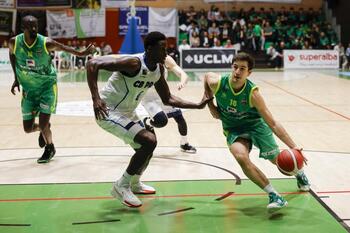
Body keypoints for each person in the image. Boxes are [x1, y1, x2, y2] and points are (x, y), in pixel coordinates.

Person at [86, 31, 210, 208]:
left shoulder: (158, 69)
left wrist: (197, 105)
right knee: (148, 141)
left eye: (166, 48)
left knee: (150, 145)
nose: (166, 53)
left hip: (128, 112)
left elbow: (168, 99)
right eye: (162, 49)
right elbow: (92, 63)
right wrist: (96, 98)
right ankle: (121, 185)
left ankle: (134, 183)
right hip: (108, 111)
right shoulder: (133, 63)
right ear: (149, 49)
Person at [204, 52, 310, 211]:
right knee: (240, 156)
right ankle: (274, 195)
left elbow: (273, 124)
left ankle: (299, 173)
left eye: (242, 69)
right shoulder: (218, 83)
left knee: (279, 162)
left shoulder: (253, 94)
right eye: (235, 67)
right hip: (233, 129)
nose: (237, 72)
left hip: (256, 126)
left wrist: (294, 147)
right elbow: (206, 76)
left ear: (249, 73)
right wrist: (210, 103)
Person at [8, 15, 95, 163]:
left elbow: (66, 48)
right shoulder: (14, 43)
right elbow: (12, 56)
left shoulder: (46, 43)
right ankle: (44, 128)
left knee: (42, 124)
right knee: (28, 128)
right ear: (23, 28)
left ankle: (50, 148)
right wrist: (16, 78)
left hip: (47, 87)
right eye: (30, 27)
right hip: (28, 89)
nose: (34, 29)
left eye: (36, 26)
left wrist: (82, 53)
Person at [141, 55, 196, 153]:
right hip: (148, 98)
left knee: (179, 117)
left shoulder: (165, 59)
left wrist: (182, 82)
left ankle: (184, 143)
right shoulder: (142, 60)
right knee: (161, 121)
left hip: (163, 95)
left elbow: (183, 74)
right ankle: (148, 122)